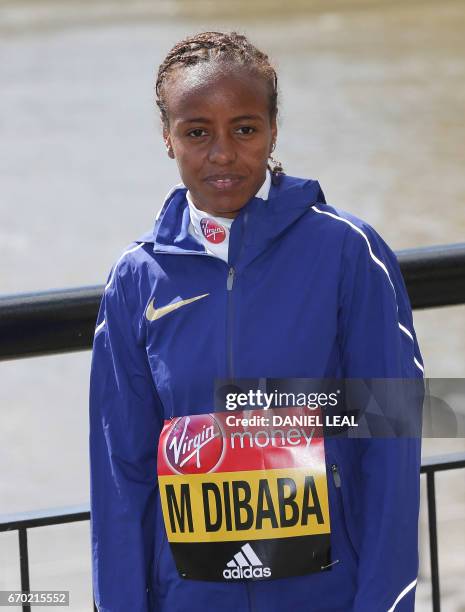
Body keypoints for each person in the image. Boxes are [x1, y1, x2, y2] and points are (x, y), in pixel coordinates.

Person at [89, 31, 424, 612]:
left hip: (328, 595)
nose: (223, 153)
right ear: (167, 138)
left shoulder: (348, 252)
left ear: (273, 130)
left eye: (245, 129)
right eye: (197, 132)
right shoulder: (135, 278)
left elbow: (393, 442)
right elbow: (121, 471)